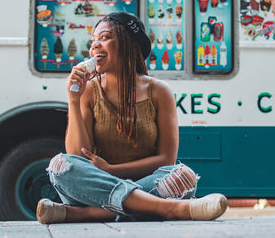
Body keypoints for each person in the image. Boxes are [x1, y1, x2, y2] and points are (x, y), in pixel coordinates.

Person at [36, 11, 227, 224]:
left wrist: (111, 170)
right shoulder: (89, 91)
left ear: (129, 44)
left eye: (105, 37)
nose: (94, 46)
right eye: (93, 41)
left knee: (183, 175)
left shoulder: (159, 92)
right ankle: (169, 208)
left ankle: (82, 214)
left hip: (132, 186)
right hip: (95, 185)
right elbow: (78, 156)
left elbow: (166, 159)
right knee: (60, 165)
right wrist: (73, 99)